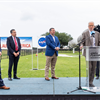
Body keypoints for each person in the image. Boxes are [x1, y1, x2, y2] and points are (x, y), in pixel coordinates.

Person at [80, 22, 100, 87]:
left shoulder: (97, 33)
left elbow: (99, 42)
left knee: (93, 68)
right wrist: (81, 45)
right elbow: (82, 41)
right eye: (90, 25)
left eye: (92, 25)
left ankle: (91, 82)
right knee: (90, 67)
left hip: (95, 52)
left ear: (94, 26)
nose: (91, 27)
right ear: (88, 26)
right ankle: (88, 81)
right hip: (88, 51)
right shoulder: (85, 33)